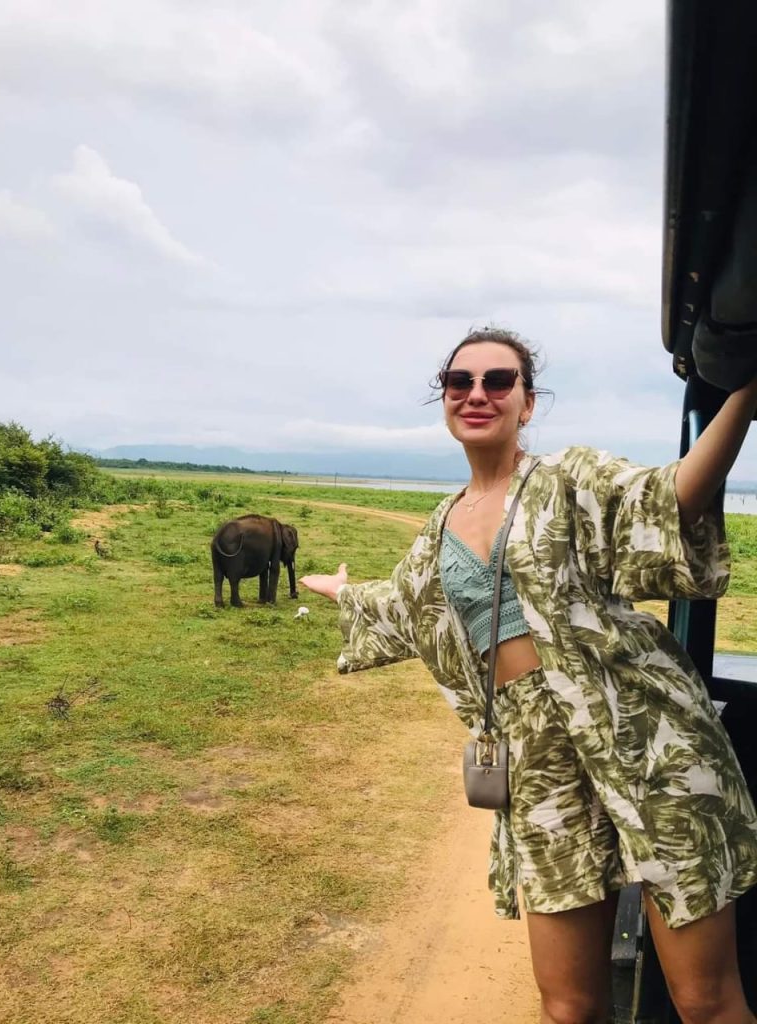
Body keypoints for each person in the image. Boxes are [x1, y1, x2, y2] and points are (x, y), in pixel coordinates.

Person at [300, 327, 757, 1024]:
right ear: (444, 399)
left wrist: (746, 397)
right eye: (460, 382)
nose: (477, 394)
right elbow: (407, 604)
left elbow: (669, 497)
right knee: (567, 1007)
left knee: (704, 1001)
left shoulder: (569, 479)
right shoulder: (439, 528)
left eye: (498, 381)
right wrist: (344, 592)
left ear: (528, 403)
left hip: (643, 736)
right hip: (536, 757)